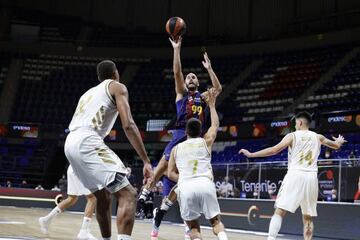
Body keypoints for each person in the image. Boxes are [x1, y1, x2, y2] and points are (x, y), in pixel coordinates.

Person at [137, 36, 222, 240]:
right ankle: (146, 193)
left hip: (196, 138)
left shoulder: (203, 97)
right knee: (163, 170)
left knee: (178, 192)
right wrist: (177, 49)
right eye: (188, 77)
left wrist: (209, 68)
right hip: (180, 135)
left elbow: (217, 89)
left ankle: (178, 222)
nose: (191, 78)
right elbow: (177, 72)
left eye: (194, 77)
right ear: (185, 83)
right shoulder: (181, 95)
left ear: (198, 82)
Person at [64, 60, 153, 240]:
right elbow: (128, 124)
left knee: (103, 197)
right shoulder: (117, 87)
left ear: (99, 77)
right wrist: (146, 160)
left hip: (70, 142)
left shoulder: (87, 93)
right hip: (88, 140)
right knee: (129, 194)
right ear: (115, 74)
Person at [239, 111, 346, 240]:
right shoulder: (318, 137)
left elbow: (274, 150)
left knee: (279, 212)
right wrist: (339, 141)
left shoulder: (292, 136)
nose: (295, 125)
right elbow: (336, 146)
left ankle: (271, 238)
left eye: (295, 123)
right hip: (311, 178)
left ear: (300, 122)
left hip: (295, 174)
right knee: (307, 218)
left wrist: (251, 155)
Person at [168, 89, 228, 240]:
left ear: (186, 132)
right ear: (201, 130)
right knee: (216, 223)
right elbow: (215, 125)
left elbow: (170, 174)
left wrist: (184, 179)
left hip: (186, 186)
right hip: (205, 183)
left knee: (194, 228)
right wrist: (212, 106)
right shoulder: (206, 141)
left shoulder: (175, 149)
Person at [39, 166, 97, 240]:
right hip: (81, 168)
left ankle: (46, 219)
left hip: (72, 168)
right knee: (92, 198)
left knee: (72, 198)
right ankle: (84, 232)